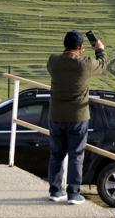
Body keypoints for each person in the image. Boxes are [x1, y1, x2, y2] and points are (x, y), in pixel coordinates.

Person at [46, 30, 107, 205]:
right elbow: (103, 65)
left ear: (65, 45)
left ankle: (55, 191)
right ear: (81, 48)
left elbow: (57, 64)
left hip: (56, 115)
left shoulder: (53, 61)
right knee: (76, 155)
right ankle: (73, 193)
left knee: (56, 154)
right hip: (78, 117)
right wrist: (100, 49)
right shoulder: (85, 65)